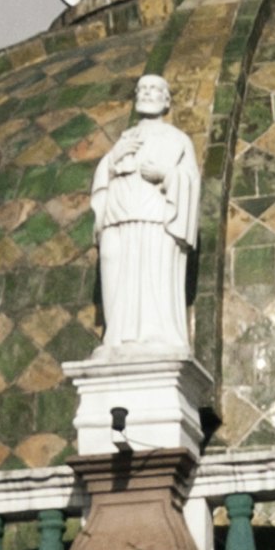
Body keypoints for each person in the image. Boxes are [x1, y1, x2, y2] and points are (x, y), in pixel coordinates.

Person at [92, 74, 201, 352]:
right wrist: (114, 158)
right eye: (141, 89)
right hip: (117, 215)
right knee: (112, 263)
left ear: (167, 100)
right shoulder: (125, 139)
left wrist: (165, 174)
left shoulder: (178, 139)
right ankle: (116, 337)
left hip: (155, 218)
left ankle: (155, 335)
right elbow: (104, 175)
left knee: (153, 274)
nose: (146, 93)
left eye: (154, 89)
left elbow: (190, 179)